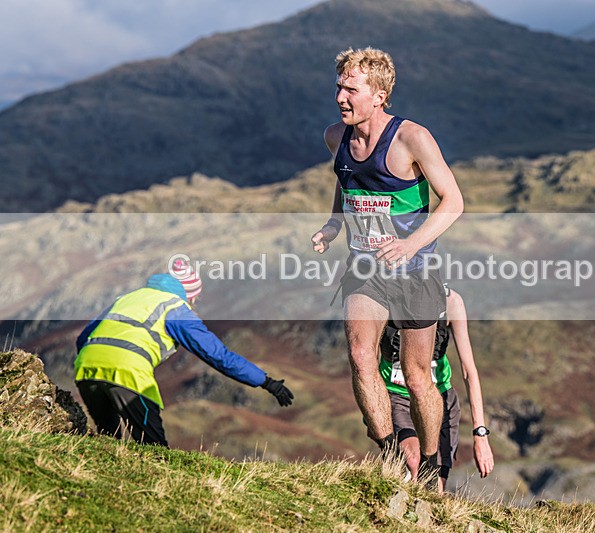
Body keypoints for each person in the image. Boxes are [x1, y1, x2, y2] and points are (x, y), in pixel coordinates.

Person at [311, 47, 464, 483]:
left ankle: (432, 459)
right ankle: (391, 454)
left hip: (415, 273)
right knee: (361, 357)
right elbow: (347, 183)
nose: (340, 97)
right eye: (339, 87)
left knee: (417, 376)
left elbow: (454, 202)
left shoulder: (411, 138)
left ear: (378, 95)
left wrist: (411, 245)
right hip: (364, 271)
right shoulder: (335, 137)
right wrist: (332, 225)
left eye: (351, 89)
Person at [74, 259, 293, 446]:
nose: (195, 303)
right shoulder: (176, 308)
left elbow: (83, 338)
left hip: (85, 367)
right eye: (195, 298)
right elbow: (219, 356)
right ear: (188, 295)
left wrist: (97, 359)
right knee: (154, 451)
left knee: (107, 441)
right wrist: (266, 382)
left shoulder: (127, 298)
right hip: (127, 372)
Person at [380, 284, 494, 491]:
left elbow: (469, 371)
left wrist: (480, 434)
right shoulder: (380, 298)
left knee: (434, 487)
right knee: (412, 461)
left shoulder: (451, 302)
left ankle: (425, 520)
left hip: (440, 400)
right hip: (397, 396)